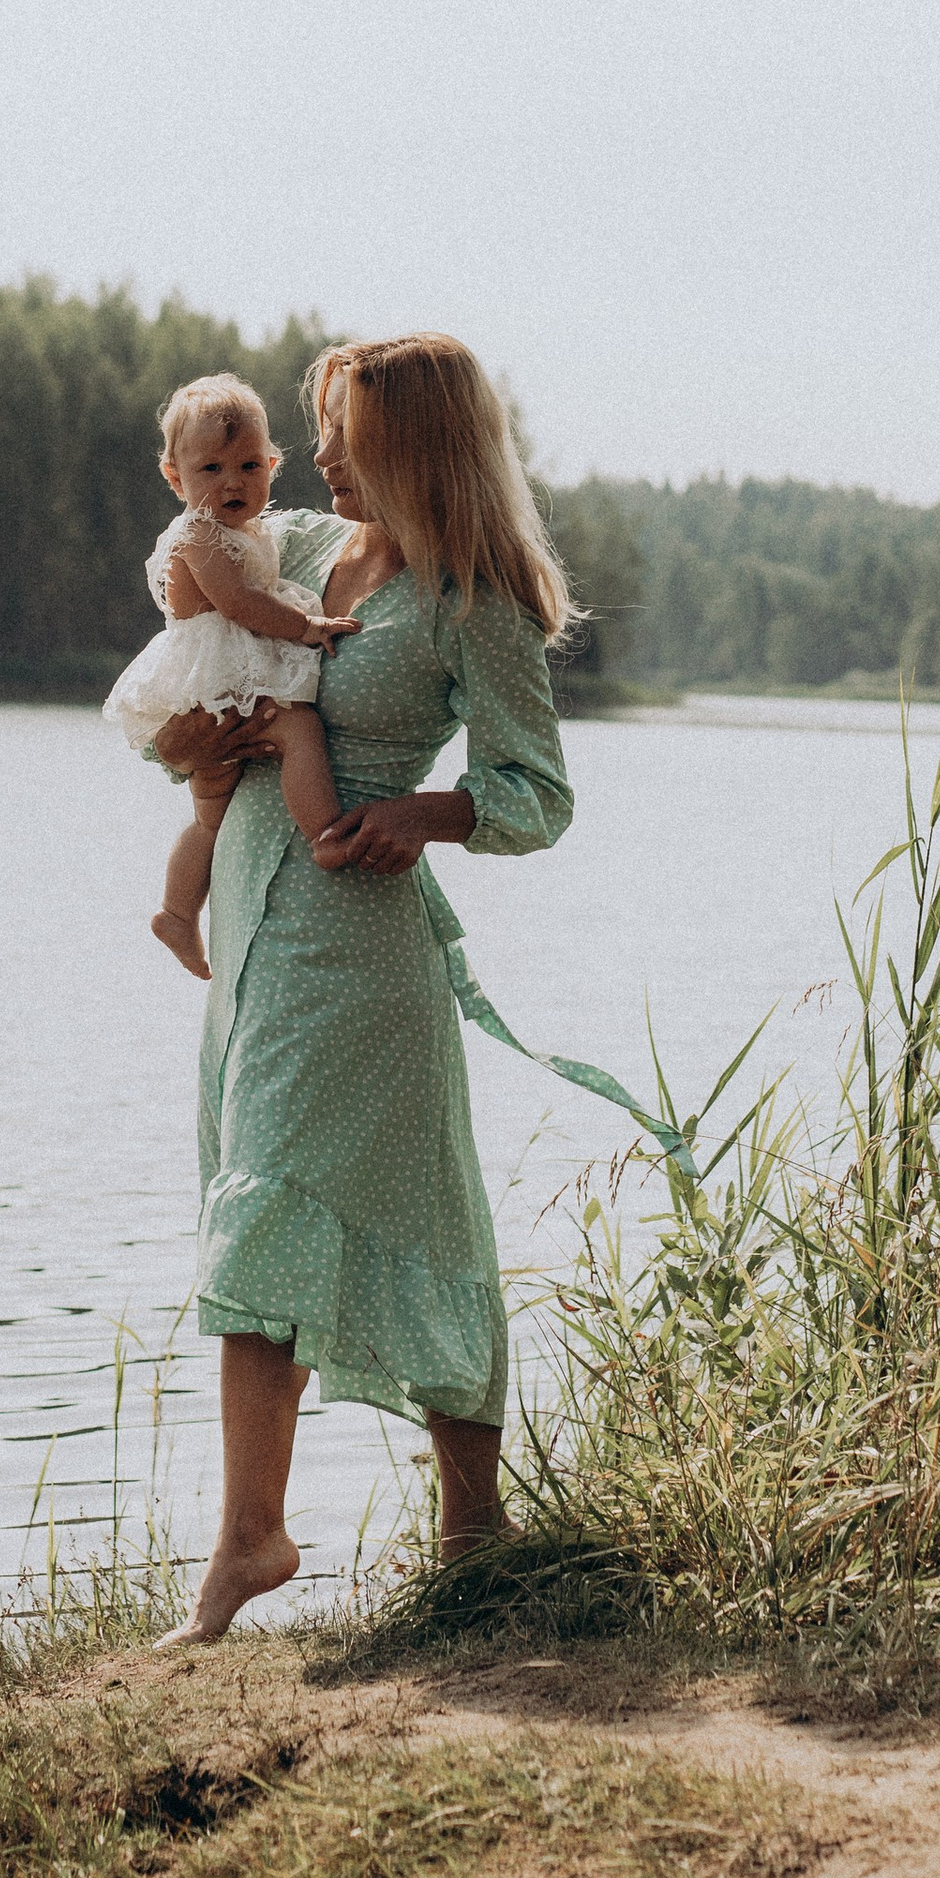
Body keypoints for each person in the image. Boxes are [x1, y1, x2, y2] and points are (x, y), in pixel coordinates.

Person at [151, 331, 578, 1647]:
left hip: (365, 942)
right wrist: (186, 747)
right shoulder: (284, 547)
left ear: (411, 445)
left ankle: (339, 1539)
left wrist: (430, 814)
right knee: (262, 1196)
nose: (313, 452)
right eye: (317, 429)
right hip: (259, 912)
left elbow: (537, 795)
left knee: (344, 1201)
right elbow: (193, 621)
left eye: (339, 432)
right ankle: (352, 1534)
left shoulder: (473, 598)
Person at [103, 375, 361, 978]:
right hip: (213, 678)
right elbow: (242, 604)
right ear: (175, 479)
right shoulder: (197, 536)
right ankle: (325, 833)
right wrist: (306, 627)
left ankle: (175, 912)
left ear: (272, 464)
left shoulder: (259, 531)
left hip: (225, 673)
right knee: (297, 732)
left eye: (248, 465)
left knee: (211, 815)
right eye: (210, 469)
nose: (231, 482)